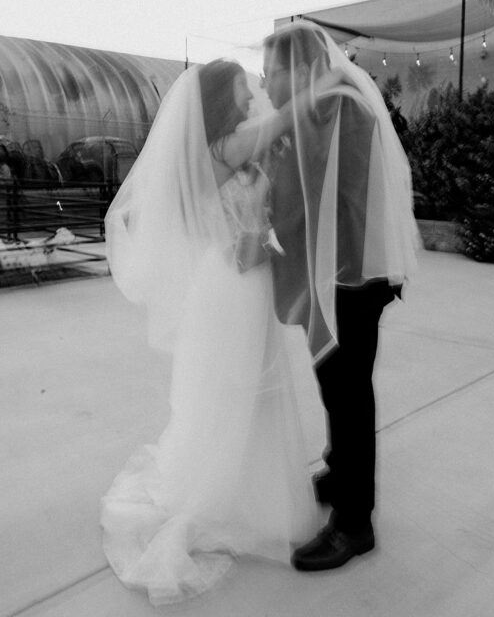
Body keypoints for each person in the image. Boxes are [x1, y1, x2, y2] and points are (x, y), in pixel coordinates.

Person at [100, 59, 339, 605]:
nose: (252, 88)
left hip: (219, 281)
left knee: (222, 395)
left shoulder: (211, 151)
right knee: (244, 394)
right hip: (237, 283)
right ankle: (238, 502)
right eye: (242, 83)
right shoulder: (232, 146)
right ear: (221, 96)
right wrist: (325, 83)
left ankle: (228, 488)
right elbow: (284, 126)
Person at [260, 22, 419, 572]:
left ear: (299, 68)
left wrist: (267, 223)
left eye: (270, 72)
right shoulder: (324, 104)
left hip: (350, 277)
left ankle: (355, 522)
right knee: (336, 385)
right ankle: (338, 470)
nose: (264, 83)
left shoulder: (340, 107)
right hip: (336, 273)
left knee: (348, 393)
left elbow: (335, 198)